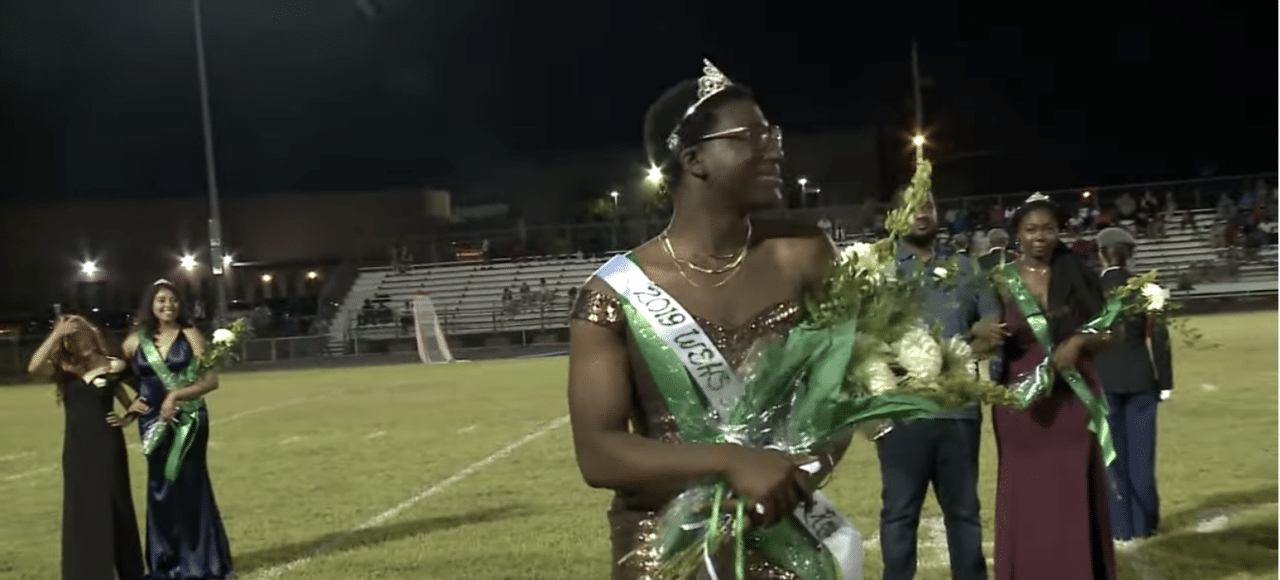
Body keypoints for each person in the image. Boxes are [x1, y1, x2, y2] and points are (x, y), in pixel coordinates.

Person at [567, 60, 851, 579]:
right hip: (666, 550)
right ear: (695, 159)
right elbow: (598, 452)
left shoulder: (805, 254)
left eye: (774, 135)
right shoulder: (613, 291)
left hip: (784, 532)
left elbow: (840, 392)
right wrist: (733, 462)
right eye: (753, 137)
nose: (775, 150)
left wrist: (802, 470)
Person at [874, 189, 1005, 580]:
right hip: (902, 414)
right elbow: (867, 343)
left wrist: (980, 366)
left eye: (928, 205)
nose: (921, 213)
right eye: (912, 207)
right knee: (899, 514)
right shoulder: (880, 272)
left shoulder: (969, 269)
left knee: (964, 514)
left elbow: (993, 334)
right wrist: (965, 346)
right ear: (896, 214)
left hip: (958, 413)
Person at [991, 194, 1117, 579]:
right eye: (1031, 230)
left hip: (1073, 405)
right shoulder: (1000, 280)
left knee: (1071, 496)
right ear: (1017, 235)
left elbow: (1111, 331)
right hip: (1020, 405)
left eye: (1047, 228)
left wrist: (1080, 341)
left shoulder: (1078, 273)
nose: (1040, 237)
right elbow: (980, 336)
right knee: (1026, 497)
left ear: (1059, 231)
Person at [123, 280, 234, 580]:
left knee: (189, 486)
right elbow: (119, 374)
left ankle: (200, 562)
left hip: (189, 419)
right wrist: (132, 403)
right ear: (151, 304)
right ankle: (165, 561)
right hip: (152, 423)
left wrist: (175, 396)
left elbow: (211, 381)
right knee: (160, 488)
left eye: (172, 300)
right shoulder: (135, 341)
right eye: (161, 300)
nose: (167, 305)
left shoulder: (191, 335)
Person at [27, 314, 146, 580]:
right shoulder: (63, 367)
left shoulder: (113, 365)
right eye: (71, 336)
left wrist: (127, 419)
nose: (78, 339)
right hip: (77, 448)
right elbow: (34, 368)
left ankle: (125, 569)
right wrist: (56, 334)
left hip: (108, 445)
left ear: (92, 333)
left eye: (81, 333)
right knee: (82, 508)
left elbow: (138, 396)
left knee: (113, 504)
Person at [1093, 227, 1173, 543]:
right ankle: (1145, 523)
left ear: (1101, 254)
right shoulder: (1149, 289)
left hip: (1104, 382)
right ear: (1131, 254)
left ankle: (1120, 525)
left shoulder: (1088, 289)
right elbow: (1161, 339)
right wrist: (1165, 382)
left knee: (1112, 458)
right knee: (1143, 456)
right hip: (1141, 380)